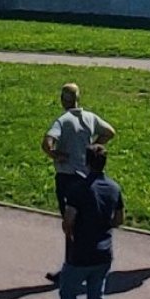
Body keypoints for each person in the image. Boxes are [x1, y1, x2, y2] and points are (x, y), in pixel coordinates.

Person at [42, 82, 114, 279]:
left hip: (67, 178)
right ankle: (86, 263)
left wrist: (56, 155)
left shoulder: (63, 120)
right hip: (87, 177)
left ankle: (71, 266)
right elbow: (110, 131)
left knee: (70, 224)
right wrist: (93, 146)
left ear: (62, 100)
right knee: (86, 221)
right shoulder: (90, 117)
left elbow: (47, 142)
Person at [58, 143, 123, 299]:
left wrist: (72, 233)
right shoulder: (114, 188)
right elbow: (119, 219)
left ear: (86, 162)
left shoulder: (77, 189)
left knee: (67, 292)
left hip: (81, 253)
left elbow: (68, 221)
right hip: (104, 253)